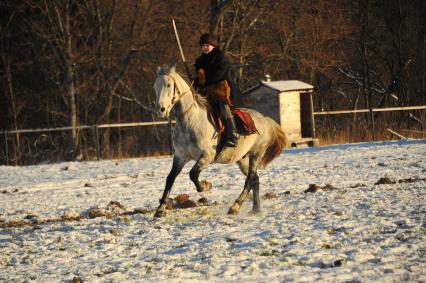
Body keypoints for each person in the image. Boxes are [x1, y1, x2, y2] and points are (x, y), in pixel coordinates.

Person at [194, 33, 238, 147]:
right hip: (206, 91)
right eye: (203, 45)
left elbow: (218, 75)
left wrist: (204, 82)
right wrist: (196, 80)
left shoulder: (220, 57)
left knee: (223, 107)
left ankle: (233, 135)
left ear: (213, 46)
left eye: (208, 45)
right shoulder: (200, 60)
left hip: (222, 89)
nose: (205, 47)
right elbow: (200, 77)